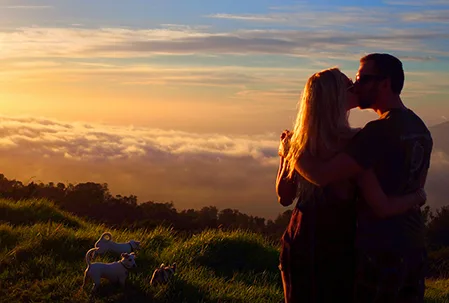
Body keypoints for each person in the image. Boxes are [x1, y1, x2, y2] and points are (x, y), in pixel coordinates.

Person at [276, 66, 427, 303]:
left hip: (299, 235)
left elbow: (284, 196)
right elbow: (380, 204)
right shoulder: (356, 143)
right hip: (339, 242)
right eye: (349, 85)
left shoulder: (298, 142)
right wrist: (417, 196)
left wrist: (288, 154)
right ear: (335, 98)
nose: (355, 88)